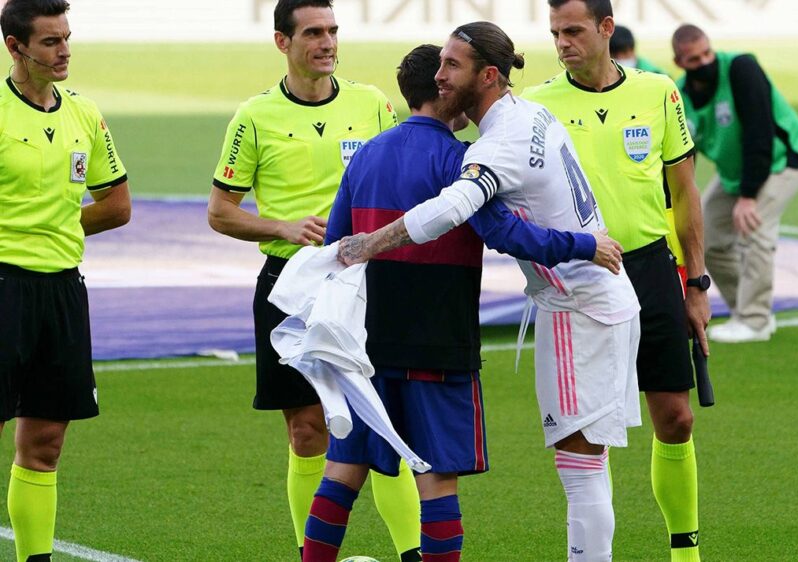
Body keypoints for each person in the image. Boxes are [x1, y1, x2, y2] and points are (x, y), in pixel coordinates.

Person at [336, 22, 642, 562]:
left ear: (489, 74)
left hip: (580, 308)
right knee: (585, 464)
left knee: (580, 467)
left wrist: (369, 244)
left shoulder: (497, 143)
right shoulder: (529, 115)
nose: (440, 73)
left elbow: (455, 211)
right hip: (595, 303)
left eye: (452, 64)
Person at [205, 1, 421, 559]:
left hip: (364, 282)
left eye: (332, 31)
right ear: (283, 42)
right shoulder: (254, 117)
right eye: (313, 33)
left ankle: (412, 554)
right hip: (291, 284)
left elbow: (400, 178)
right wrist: (282, 225)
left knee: (383, 424)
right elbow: (220, 212)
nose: (327, 42)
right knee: (306, 430)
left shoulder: (371, 105)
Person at [521, 2, 710, 560]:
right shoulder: (536, 106)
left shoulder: (658, 92)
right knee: (591, 433)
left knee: (675, 418)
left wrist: (695, 282)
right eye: (555, 33)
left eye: (574, 31)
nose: (562, 43)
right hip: (582, 276)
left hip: (652, 268)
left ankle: (684, 550)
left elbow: (685, 192)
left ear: (606, 29)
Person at [0, 1, 131, 560]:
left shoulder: (84, 112)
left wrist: (54, 225)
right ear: (16, 47)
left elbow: (116, 204)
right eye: (51, 42)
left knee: (47, 440)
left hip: (61, 291)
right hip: (3, 285)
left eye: (67, 39)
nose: (64, 51)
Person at [672, 23, 798, 343]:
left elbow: (759, 134)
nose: (704, 62)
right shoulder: (679, 96)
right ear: (680, 63)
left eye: (707, 53)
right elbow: (683, 154)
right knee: (702, 235)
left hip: (782, 159)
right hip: (737, 173)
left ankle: (755, 320)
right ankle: (747, 309)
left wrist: (748, 196)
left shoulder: (740, 68)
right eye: (695, 60)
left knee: (755, 229)